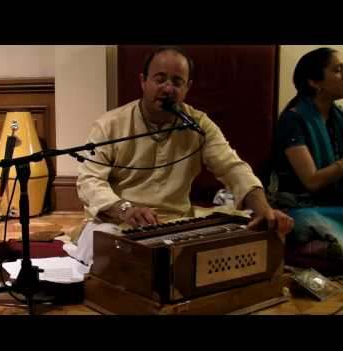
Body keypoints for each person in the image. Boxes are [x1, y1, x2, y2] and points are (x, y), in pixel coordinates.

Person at [65, 46, 293, 265]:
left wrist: (264, 209)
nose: (168, 88)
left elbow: (232, 168)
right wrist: (125, 209)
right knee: (111, 252)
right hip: (116, 223)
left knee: (234, 235)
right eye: (160, 78)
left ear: (187, 87)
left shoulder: (198, 125)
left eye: (177, 82)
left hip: (176, 224)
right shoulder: (110, 125)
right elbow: (89, 180)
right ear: (143, 81)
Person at [271, 47, 343, 258]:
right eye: (338, 70)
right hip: (301, 207)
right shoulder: (293, 121)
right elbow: (312, 181)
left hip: (338, 205)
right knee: (301, 222)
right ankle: (330, 244)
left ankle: (335, 244)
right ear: (314, 82)